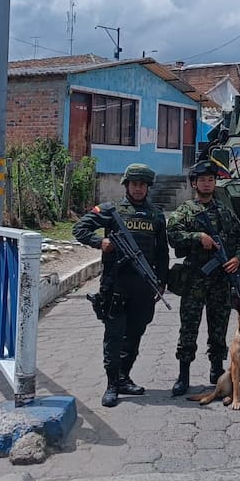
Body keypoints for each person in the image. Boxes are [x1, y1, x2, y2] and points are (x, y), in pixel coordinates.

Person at [73, 163, 169, 408]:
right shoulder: (111, 210)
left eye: (143, 185)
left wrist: (162, 281)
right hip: (116, 283)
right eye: (134, 184)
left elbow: (161, 253)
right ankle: (111, 384)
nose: (138, 189)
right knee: (114, 335)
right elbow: (79, 228)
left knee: (136, 332)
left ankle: (124, 377)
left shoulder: (156, 215)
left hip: (144, 286)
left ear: (148, 187)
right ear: (126, 185)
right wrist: (100, 242)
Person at [166, 159, 240, 397]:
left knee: (218, 327)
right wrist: (197, 236)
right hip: (195, 279)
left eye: (211, 180)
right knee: (189, 328)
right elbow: (173, 236)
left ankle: (216, 369)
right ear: (194, 183)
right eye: (202, 180)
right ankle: (183, 375)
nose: (207, 184)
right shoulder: (186, 211)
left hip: (220, 280)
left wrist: (238, 258)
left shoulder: (224, 211)